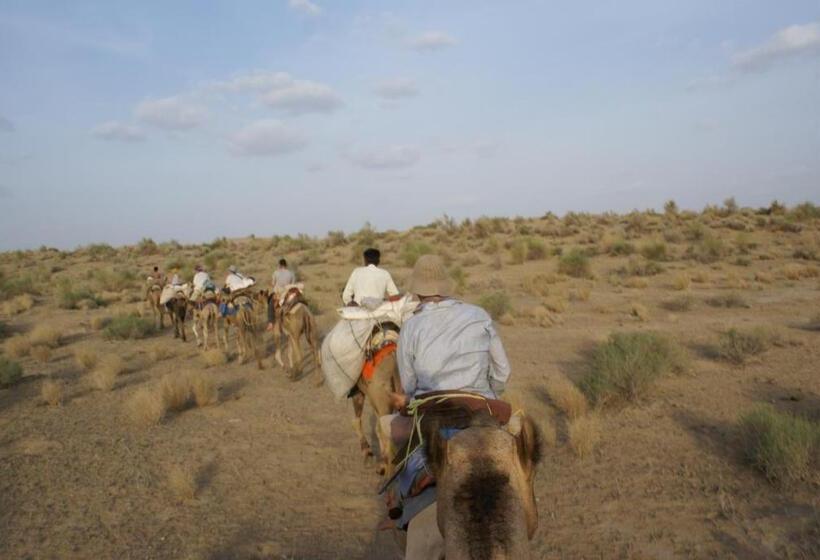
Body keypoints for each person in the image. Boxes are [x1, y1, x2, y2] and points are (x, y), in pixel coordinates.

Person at [391, 254, 510, 408]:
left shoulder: (410, 326)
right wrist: (491, 394)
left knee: (387, 426)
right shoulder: (479, 315)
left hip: (430, 409)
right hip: (481, 404)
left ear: (417, 291)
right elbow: (503, 371)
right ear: (446, 286)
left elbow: (408, 385)